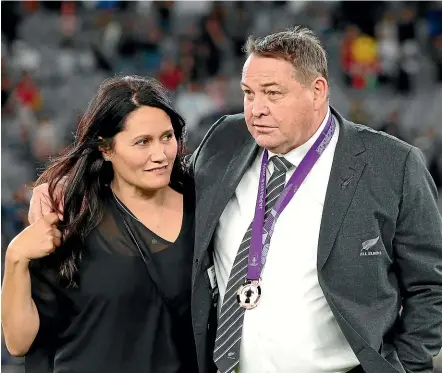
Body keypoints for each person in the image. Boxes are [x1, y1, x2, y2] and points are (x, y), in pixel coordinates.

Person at [28, 27, 442, 373]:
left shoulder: (392, 165)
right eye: (248, 92)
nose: (256, 109)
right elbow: (149, 176)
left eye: (272, 93)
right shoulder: (225, 139)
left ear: (317, 91)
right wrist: (64, 185)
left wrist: (408, 367)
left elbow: (431, 285)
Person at [2, 75, 200, 373]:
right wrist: (15, 258)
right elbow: (18, 343)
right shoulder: (69, 217)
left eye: (167, 137)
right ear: (106, 149)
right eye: (142, 142)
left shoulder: (203, 205)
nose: (160, 155)